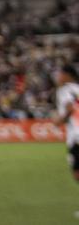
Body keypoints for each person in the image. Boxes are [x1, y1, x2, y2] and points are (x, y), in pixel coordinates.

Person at [56, 63, 79, 219]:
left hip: (77, 137)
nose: (58, 77)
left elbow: (70, 108)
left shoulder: (64, 90)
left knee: (77, 173)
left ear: (66, 75)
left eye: (60, 74)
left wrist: (58, 120)